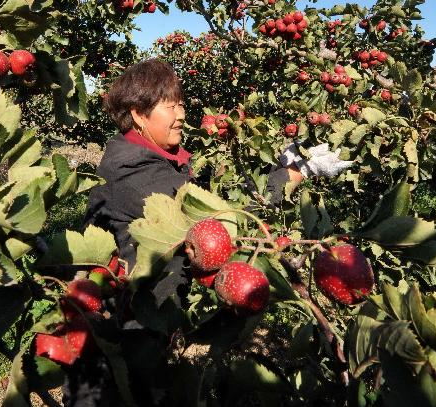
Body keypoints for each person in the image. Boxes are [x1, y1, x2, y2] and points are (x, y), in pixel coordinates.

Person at [67, 58, 353, 405]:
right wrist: (291, 175)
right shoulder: (131, 171)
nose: (182, 114)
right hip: (113, 344)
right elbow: (210, 220)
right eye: (169, 106)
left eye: (182, 104)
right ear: (138, 114)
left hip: (141, 326)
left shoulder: (152, 158)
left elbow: (205, 196)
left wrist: (275, 167)